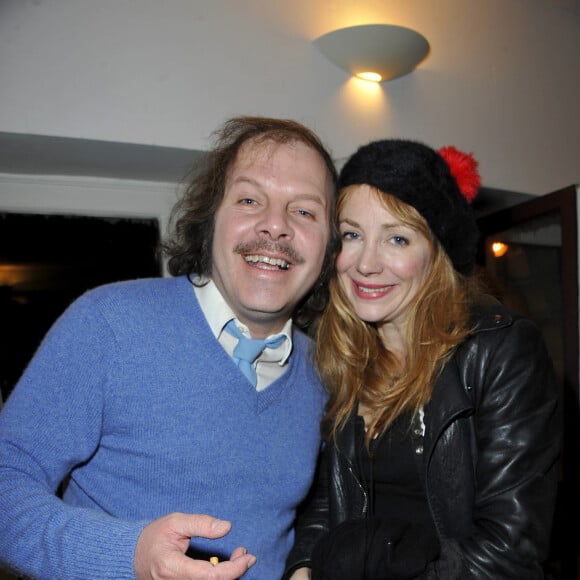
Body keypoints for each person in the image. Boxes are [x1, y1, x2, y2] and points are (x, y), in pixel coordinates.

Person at [0, 116, 340, 580]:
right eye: (249, 199)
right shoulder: (109, 323)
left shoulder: (324, 373)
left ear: (328, 248)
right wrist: (129, 555)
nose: (275, 226)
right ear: (211, 219)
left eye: (304, 211)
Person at [285, 139, 562, 579]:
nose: (366, 263)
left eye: (397, 238)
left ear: (437, 251)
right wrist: (303, 568)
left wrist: (370, 563)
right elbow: (325, 500)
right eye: (352, 235)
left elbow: (510, 554)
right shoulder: (339, 352)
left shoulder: (500, 350)